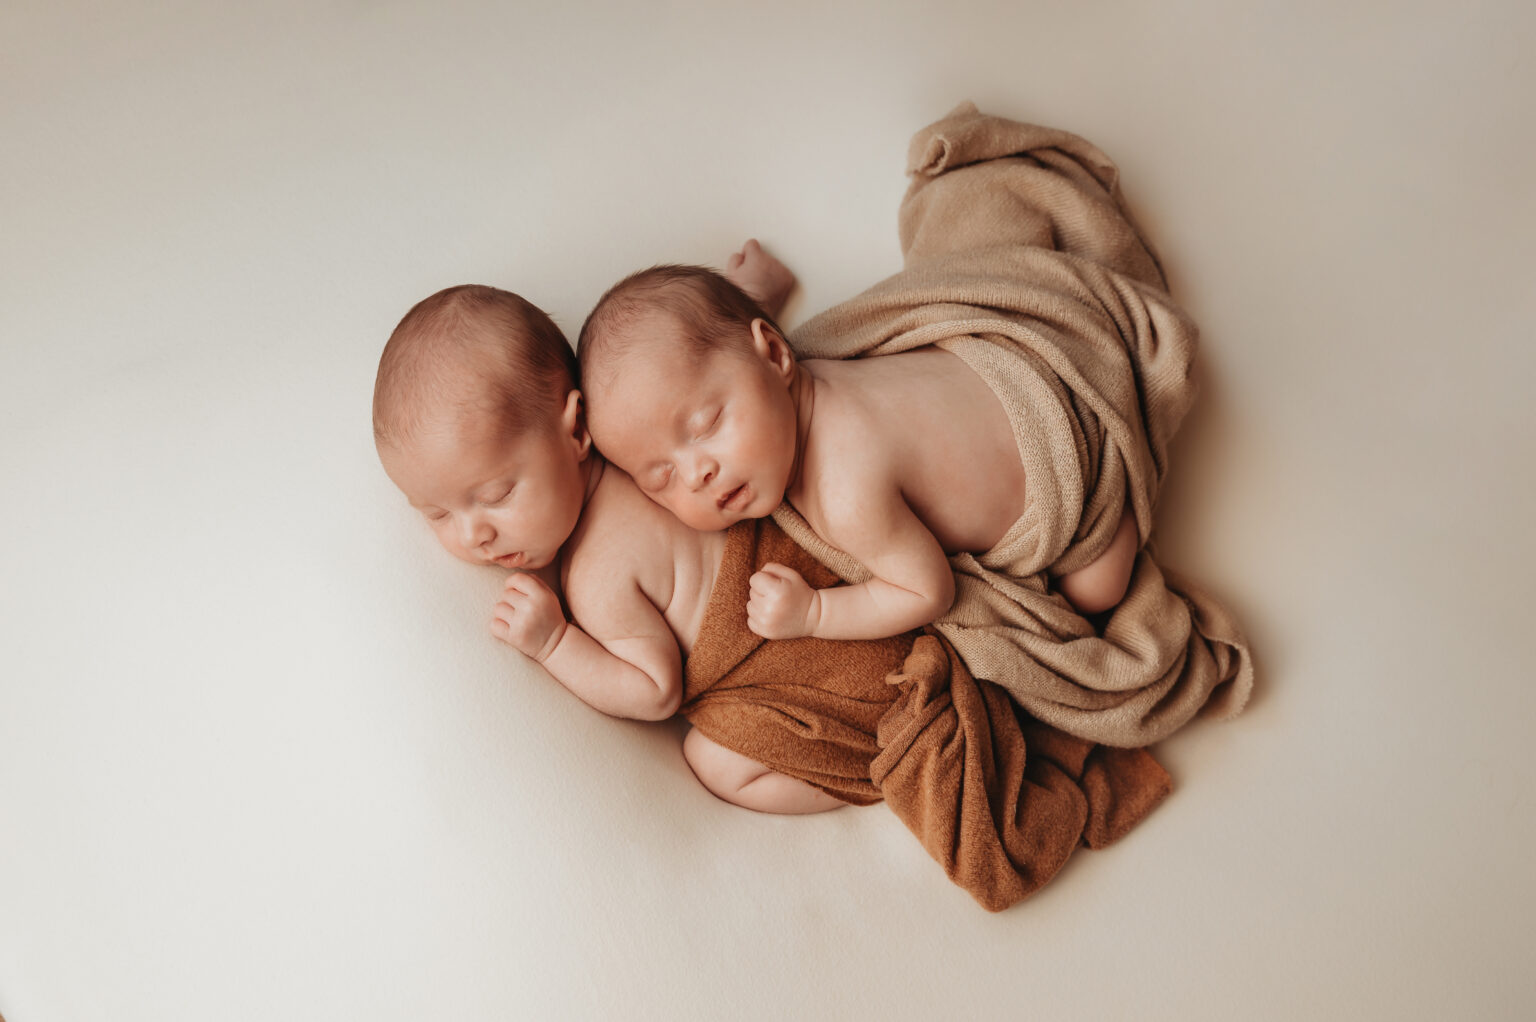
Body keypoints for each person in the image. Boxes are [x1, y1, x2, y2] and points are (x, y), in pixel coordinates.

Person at [372, 250, 841, 814]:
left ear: (573, 430)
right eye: (437, 514)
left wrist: (554, 643)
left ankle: (869, 773)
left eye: (496, 495)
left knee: (714, 763)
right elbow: (688, 372)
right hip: (819, 586)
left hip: (801, 656)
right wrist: (751, 292)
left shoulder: (598, 574)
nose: (475, 536)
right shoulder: (629, 422)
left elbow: (656, 689)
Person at [576, 256, 1140, 643]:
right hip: (1018, 367)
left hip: (1068, 472)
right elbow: (716, 352)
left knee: (1094, 592)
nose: (697, 473)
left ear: (774, 352)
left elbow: (926, 590)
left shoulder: (845, 493)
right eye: (659, 478)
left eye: (706, 423)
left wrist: (816, 613)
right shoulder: (812, 368)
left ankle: (1119, 511)